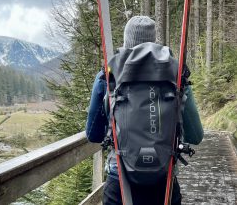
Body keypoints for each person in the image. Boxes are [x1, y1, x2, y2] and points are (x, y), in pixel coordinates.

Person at [86, 16, 204, 205]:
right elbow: (196, 136)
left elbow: (93, 134)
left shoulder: (108, 75)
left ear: (126, 41)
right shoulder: (176, 73)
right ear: (153, 41)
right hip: (164, 183)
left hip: (120, 182)